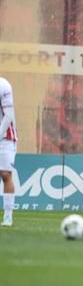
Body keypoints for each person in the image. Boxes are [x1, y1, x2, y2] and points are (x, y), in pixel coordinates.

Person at [0, 77, 17, 227]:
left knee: (5, 174)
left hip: (5, 136)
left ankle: (7, 217)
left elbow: (9, 115)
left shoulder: (3, 85)